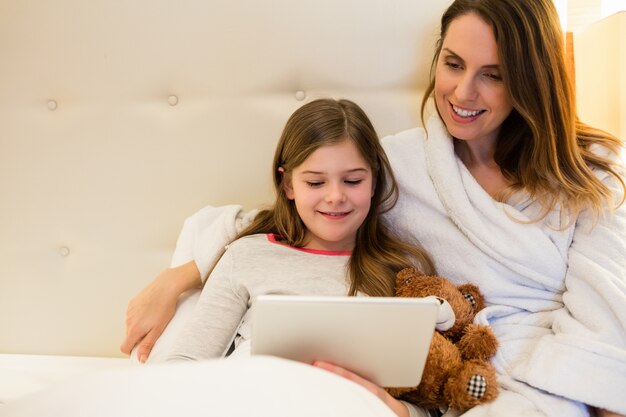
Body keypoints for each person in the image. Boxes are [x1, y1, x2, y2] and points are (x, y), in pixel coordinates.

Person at [121, 0, 626, 416]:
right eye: (453, 64)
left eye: (492, 75)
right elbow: (298, 217)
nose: (463, 93)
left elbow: (606, 310)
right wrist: (180, 277)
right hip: (459, 389)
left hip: (550, 377)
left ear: (529, 79)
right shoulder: (400, 166)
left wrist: (603, 400)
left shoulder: (594, 170)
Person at [161, 97, 437, 417]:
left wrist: (396, 409)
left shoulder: (404, 271)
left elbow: (436, 400)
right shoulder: (247, 256)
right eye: (315, 182)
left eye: (352, 180)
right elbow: (183, 366)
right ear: (288, 184)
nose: (335, 196)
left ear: (374, 180)